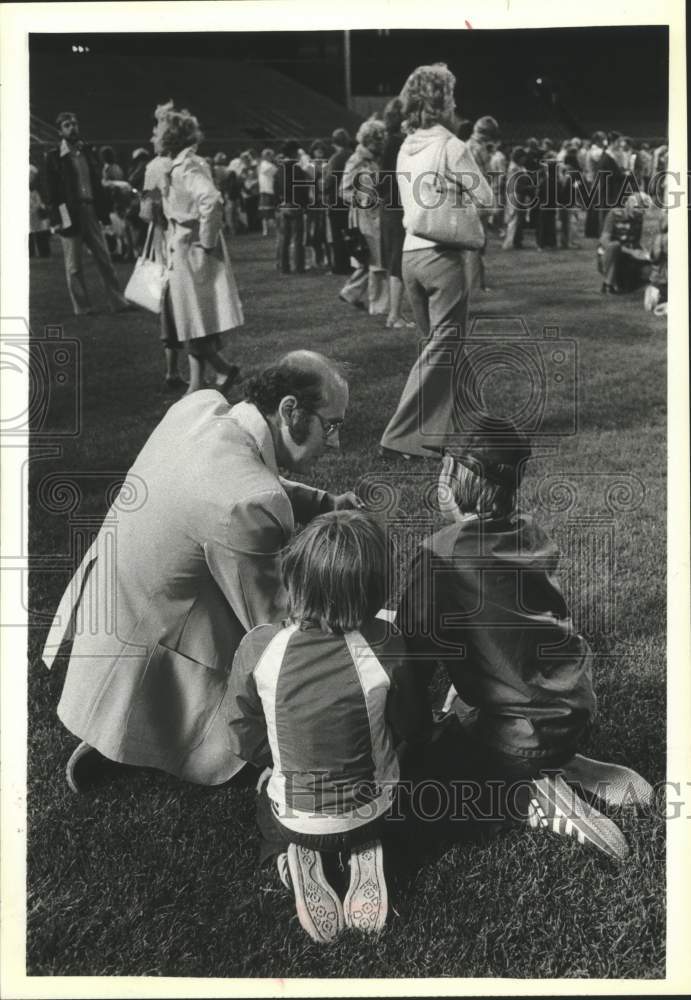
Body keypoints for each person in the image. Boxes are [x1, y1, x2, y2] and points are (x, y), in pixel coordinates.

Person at [42, 351, 364, 792]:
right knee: (280, 661)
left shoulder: (201, 408)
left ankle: (120, 733)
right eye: (331, 426)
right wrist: (356, 629)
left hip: (114, 615)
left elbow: (249, 473)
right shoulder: (247, 501)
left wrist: (326, 504)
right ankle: (145, 735)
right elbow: (272, 627)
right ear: (289, 410)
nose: (336, 442)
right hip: (157, 643)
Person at [397, 414, 654, 860]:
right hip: (573, 705)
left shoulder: (439, 553)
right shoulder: (526, 528)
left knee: (426, 773)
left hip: (522, 732)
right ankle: (558, 760)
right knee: (463, 702)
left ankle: (529, 791)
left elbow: (412, 659)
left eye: (444, 466)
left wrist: (413, 735)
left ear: (454, 478)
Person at [227, 510, 429, 944]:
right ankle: (369, 852)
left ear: (295, 579)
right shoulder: (386, 642)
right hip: (374, 810)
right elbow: (413, 722)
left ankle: (286, 858)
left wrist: (272, 758)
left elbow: (238, 731)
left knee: (266, 797)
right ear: (374, 591)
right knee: (404, 778)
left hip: (295, 820)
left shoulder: (260, 646)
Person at [379, 63, 493, 459]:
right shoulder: (452, 146)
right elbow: (487, 198)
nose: (456, 103)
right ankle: (401, 437)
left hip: (410, 254)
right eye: (452, 96)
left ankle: (463, 419)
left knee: (436, 345)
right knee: (442, 347)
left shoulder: (406, 146)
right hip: (442, 255)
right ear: (442, 103)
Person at [154, 103, 244, 393]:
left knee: (192, 314)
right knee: (191, 315)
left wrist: (205, 240)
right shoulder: (176, 164)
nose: (153, 135)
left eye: (157, 129)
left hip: (191, 249)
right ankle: (206, 378)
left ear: (169, 136)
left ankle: (216, 374)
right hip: (182, 248)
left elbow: (211, 200)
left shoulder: (188, 166)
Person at [44, 111, 131, 315]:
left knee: (105, 258)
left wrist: (103, 212)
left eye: (74, 123)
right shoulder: (54, 157)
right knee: (74, 265)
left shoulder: (87, 152)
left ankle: (118, 301)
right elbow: (53, 193)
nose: (72, 128)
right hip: (70, 212)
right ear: (60, 131)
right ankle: (82, 307)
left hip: (90, 209)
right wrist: (61, 220)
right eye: (67, 125)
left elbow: (96, 185)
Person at [139, 101, 185, 390]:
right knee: (179, 300)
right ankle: (188, 369)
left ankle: (174, 368)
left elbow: (145, 211)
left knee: (170, 301)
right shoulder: (176, 165)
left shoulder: (155, 166)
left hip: (162, 236)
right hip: (175, 237)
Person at [338, 118, 388, 315]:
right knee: (377, 262)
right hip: (364, 216)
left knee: (371, 259)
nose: (382, 142)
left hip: (376, 214)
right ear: (369, 140)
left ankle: (350, 292)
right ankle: (380, 307)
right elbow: (344, 190)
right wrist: (363, 200)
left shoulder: (375, 159)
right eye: (379, 139)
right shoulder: (357, 160)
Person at [379, 98, 414, 329]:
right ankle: (394, 314)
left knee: (395, 259)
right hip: (397, 205)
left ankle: (393, 311)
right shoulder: (399, 142)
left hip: (389, 205)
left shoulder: (387, 141)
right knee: (398, 261)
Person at [466, 115, 500, 291]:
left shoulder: (470, 146)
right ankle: (474, 285)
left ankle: (477, 283)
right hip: (477, 200)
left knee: (477, 243)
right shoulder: (478, 148)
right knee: (476, 243)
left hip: (471, 199)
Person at [597, 192, 651, 294]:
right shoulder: (614, 214)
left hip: (627, 256)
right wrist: (630, 251)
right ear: (628, 205)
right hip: (609, 255)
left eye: (641, 210)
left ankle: (624, 282)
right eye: (637, 208)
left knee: (647, 272)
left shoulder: (638, 219)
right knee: (614, 246)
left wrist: (644, 253)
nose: (638, 213)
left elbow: (636, 242)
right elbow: (604, 240)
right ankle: (607, 285)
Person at [275, 139, 309, 274]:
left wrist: (278, 203)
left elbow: (276, 188)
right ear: (295, 153)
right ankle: (299, 266)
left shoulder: (279, 170)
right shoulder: (297, 169)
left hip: (283, 205)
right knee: (298, 239)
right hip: (296, 205)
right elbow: (302, 189)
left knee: (284, 238)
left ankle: (284, 266)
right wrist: (305, 204)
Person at [324, 128, 353, 275]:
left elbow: (329, 182)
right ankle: (353, 262)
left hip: (336, 200)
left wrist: (322, 188)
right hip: (351, 199)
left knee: (337, 236)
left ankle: (341, 266)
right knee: (350, 233)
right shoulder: (352, 155)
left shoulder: (336, 158)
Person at [29, 165, 51, 258]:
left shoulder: (38, 186)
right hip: (29, 212)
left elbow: (41, 199)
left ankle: (44, 252)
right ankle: (30, 252)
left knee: (41, 232)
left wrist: (38, 206)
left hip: (37, 212)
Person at [257, 147, 278, 237]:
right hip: (267, 191)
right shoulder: (265, 165)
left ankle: (269, 230)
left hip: (270, 191)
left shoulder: (267, 165)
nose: (272, 157)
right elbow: (276, 171)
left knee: (270, 213)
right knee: (266, 213)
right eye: (270, 156)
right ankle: (266, 230)